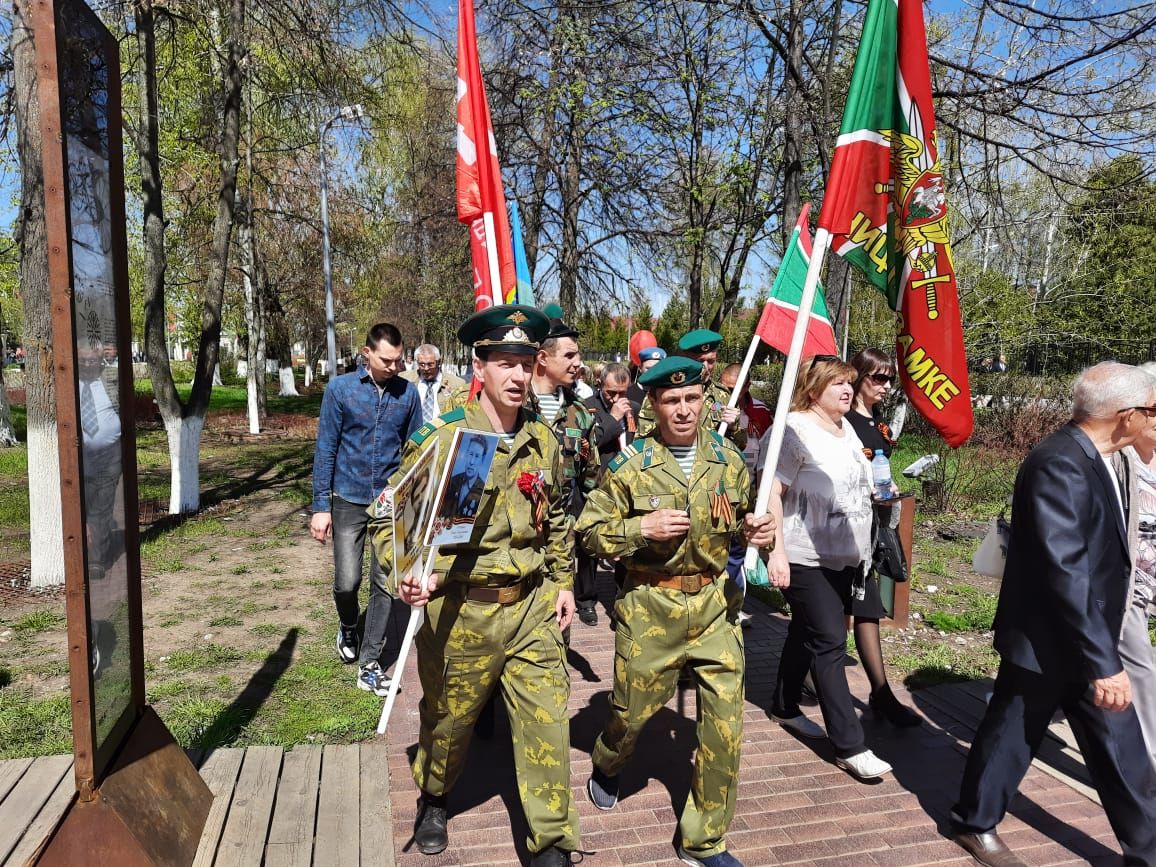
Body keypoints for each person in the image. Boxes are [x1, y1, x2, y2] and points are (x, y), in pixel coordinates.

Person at [368, 305, 580, 866]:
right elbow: (386, 520)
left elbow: (556, 517)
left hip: (531, 606)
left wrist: (563, 582)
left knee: (547, 723)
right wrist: (407, 573)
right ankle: (434, 795)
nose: (516, 375)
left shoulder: (543, 440)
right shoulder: (446, 441)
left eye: (524, 363)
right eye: (503, 362)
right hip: (462, 612)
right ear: (478, 367)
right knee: (448, 723)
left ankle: (552, 842)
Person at [950, 361, 1156, 867]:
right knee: (1011, 734)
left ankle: (1148, 849)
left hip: (1087, 636)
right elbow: (1066, 569)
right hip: (1047, 639)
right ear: (1125, 416)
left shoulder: (1104, 456)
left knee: (1122, 747)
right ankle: (974, 824)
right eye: (1152, 410)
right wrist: (1106, 663)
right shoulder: (1058, 462)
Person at [577, 356, 775, 867]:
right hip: (650, 606)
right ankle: (608, 760)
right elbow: (589, 531)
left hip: (713, 606)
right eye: (671, 400)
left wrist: (759, 534)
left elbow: (739, 525)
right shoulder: (630, 465)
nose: (683, 410)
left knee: (725, 728)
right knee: (630, 714)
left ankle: (704, 840)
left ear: (704, 400)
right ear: (656, 406)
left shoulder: (728, 460)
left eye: (692, 399)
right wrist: (639, 531)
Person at [766, 355, 894, 782]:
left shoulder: (845, 431)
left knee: (807, 631)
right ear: (813, 386)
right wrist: (776, 552)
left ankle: (784, 705)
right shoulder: (794, 430)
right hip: (804, 555)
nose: (846, 389)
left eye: (849, 382)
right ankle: (850, 744)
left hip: (845, 556)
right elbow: (772, 493)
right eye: (837, 382)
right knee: (829, 640)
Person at [310, 323, 421, 697]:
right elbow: (326, 448)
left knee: (383, 583)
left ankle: (370, 662)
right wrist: (321, 506)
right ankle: (348, 624)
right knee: (347, 581)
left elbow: (414, 448)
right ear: (367, 353)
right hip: (347, 497)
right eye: (387, 360)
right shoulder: (340, 391)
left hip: (390, 502)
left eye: (399, 360)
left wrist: (413, 500)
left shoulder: (408, 394)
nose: (395, 366)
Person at [843, 349, 922, 727]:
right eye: (878, 378)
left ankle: (880, 694)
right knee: (838, 614)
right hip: (841, 530)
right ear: (857, 377)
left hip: (870, 530)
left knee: (863, 607)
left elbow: (880, 469)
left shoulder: (877, 423)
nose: (886, 386)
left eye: (890, 379)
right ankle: (880, 694)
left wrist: (888, 489)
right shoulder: (842, 423)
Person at [527, 309, 601, 627]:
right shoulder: (513, 408)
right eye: (569, 355)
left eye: (578, 355)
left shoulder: (580, 415)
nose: (578, 363)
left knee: (557, 634)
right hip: (514, 540)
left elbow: (592, 481)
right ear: (543, 358)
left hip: (560, 543)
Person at [579, 362, 641, 606]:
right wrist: (614, 418)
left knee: (626, 541)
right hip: (597, 484)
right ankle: (586, 599)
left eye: (623, 393)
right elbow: (587, 444)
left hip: (628, 487)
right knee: (589, 544)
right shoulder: (587, 408)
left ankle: (621, 597)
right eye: (611, 392)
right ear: (599, 386)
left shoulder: (636, 408)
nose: (617, 398)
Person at [638, 330, 744, 450]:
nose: (705, 367)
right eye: (699, 361)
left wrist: (733, 428)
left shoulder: (723, 396)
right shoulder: (662, 395)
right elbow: (642, 442)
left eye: (711, 361)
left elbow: (740, 447)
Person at [719, 363, 772, 483]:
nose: (726, 393)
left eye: (732, 390)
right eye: (722, 387)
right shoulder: (713, 407)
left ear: (747, 386)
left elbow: (768, 452)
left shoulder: (761, 411)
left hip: (750, 485)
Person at [402, 344, 466, 424]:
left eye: (430, 364)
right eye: (421, 364)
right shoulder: (405, 379)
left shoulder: (457, 384)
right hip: (412, 433)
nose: (426, 368)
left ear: (438, 362)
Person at [437, 434, 487, 520]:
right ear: (466, 454)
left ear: (482, 460)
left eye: (477, 456)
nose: (472, 462)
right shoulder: (452, 482)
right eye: (470, 454)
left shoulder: (483, 489)